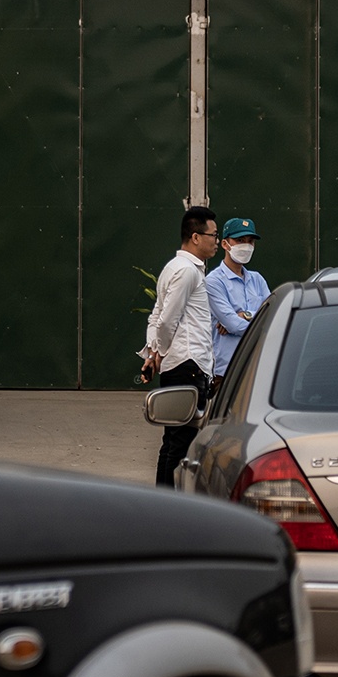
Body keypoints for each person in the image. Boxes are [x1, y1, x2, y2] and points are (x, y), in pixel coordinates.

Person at [142, 205, 220, 487]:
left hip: (181, 366)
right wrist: (159, 352)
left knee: (173, 441)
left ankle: (163, 502)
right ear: (196, 237)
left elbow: (156, 316)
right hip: (188, 366)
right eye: (213, 234)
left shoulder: (173, 268)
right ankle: (168, 506)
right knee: (180, 443)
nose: (216, 240)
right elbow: (166, 321)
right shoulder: (187, 271)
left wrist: (153, 353)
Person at [205, 217, 270, 394]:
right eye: (240, 241)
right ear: (225, 244)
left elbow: (272, 317)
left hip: (257, 368)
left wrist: (246, 315)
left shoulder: (257, 279)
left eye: (250, 242)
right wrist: (258, 320)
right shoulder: (214, 281)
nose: (246, 246)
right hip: (226, 372)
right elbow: (233, 323)